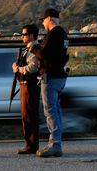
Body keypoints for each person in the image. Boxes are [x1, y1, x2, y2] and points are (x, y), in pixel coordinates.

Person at [30, 9, 69, 158]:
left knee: (50, 111)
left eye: (44, 21)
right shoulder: (63, 34)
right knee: (56, 110)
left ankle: (55, 144)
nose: (43, 24)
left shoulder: (53, 35)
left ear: (50, 19)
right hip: (59, 76)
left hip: (51, 77)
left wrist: (34, 48)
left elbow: (44, 54)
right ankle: (56, 142)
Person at [12, 24, 41, 154]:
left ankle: (31, 145)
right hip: (25, 85)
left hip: (30, 86)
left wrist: (19, 69)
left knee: (29, 116)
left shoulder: (34, 48)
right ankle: (30, 144)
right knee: (27, 116)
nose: (22, 37)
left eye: (24, 34)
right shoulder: (27, 49)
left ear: (31, 35)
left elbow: (33, 67)